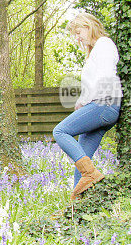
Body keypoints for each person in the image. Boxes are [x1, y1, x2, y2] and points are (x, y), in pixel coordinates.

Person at [52, 13, 123, 200]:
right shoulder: (95, 50)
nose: (78, 38)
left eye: (78, 32)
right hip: (100, 104)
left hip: (104, 104)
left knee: (60, 131)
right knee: (82, 161)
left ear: (89, 25)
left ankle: (91, 175)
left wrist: (85, 101)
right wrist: (82, 101)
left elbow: (104, 79)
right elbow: (92, 83)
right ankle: (77, 207)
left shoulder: (104, 45)